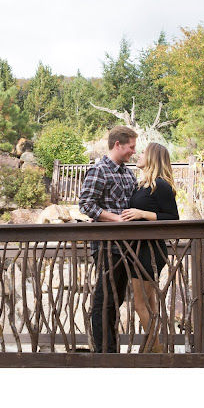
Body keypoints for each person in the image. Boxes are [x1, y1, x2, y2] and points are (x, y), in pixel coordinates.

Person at [79, 125, 138, 353]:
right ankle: (104, 353)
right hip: (106, 245)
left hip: (127, 246)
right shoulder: (99, 170)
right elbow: (86, 204)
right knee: (104, 300)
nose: (133, 151)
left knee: (117, 299)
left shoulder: (127, 172)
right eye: (131, 147)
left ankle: (112, 350)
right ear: (118, 145)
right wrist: (116, 220)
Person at [120, 142, 179, 352]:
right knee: (150, 305)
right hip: (138, 249)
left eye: (143, 152)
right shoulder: (144, 184)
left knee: (140, 304)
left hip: (150, 251)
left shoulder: (161, 185)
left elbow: (173, 218)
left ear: (153, 157)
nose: (138, 154)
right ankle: (155, 347)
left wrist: (143, 214)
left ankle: (157, 352)